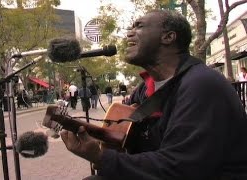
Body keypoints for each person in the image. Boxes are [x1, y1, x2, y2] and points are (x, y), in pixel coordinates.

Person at [60, 9, 247, 180]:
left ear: (168, 37)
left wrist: (102, 157)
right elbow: (125, 135)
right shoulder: (144, 89)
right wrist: (97, 138)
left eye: (139, 26)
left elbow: (180, 169)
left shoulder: (202, 85)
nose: (129, 33)